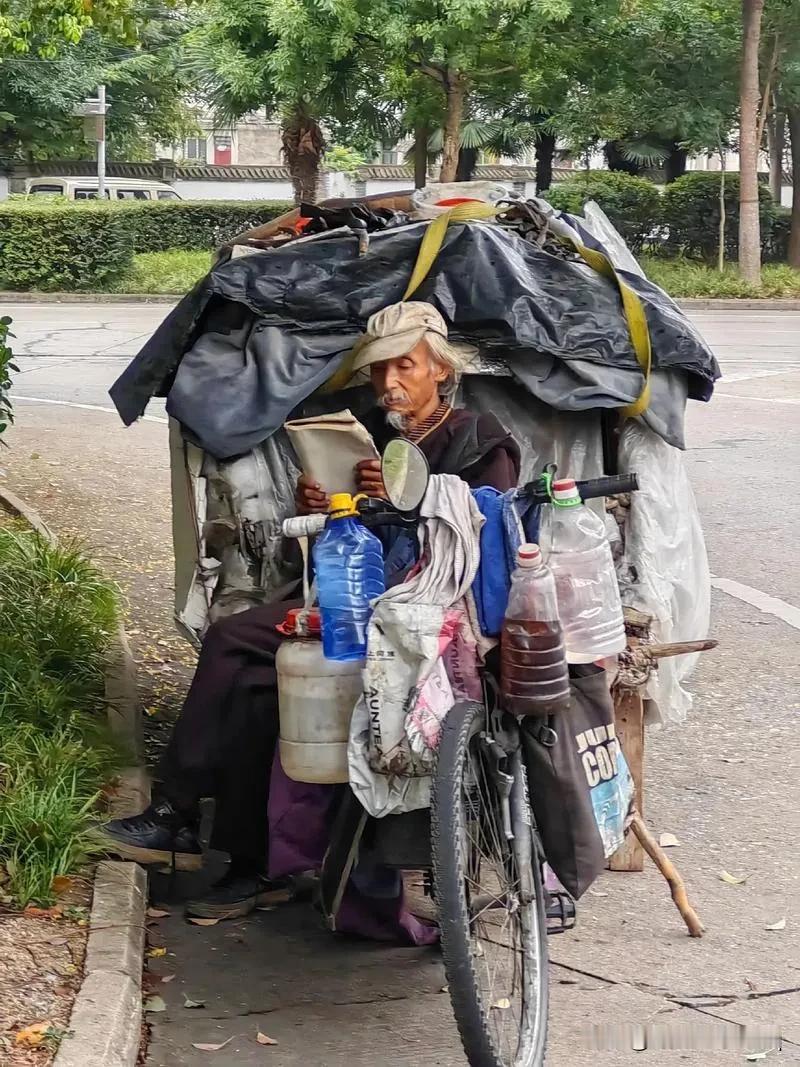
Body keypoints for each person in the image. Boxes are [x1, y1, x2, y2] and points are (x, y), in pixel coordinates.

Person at [103, 301, 520, 918]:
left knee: (232, 643)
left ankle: (179, 812)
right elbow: (344, 541)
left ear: (441, 369)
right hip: (355, 601)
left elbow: (490, 528)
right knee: (253, 686)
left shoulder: (478, 437)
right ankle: (251, 866)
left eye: (405, 367)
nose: (390, 384)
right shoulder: (372, 433)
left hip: (427, 618)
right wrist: (328, 500)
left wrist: (419, 493)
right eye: (378, 371)